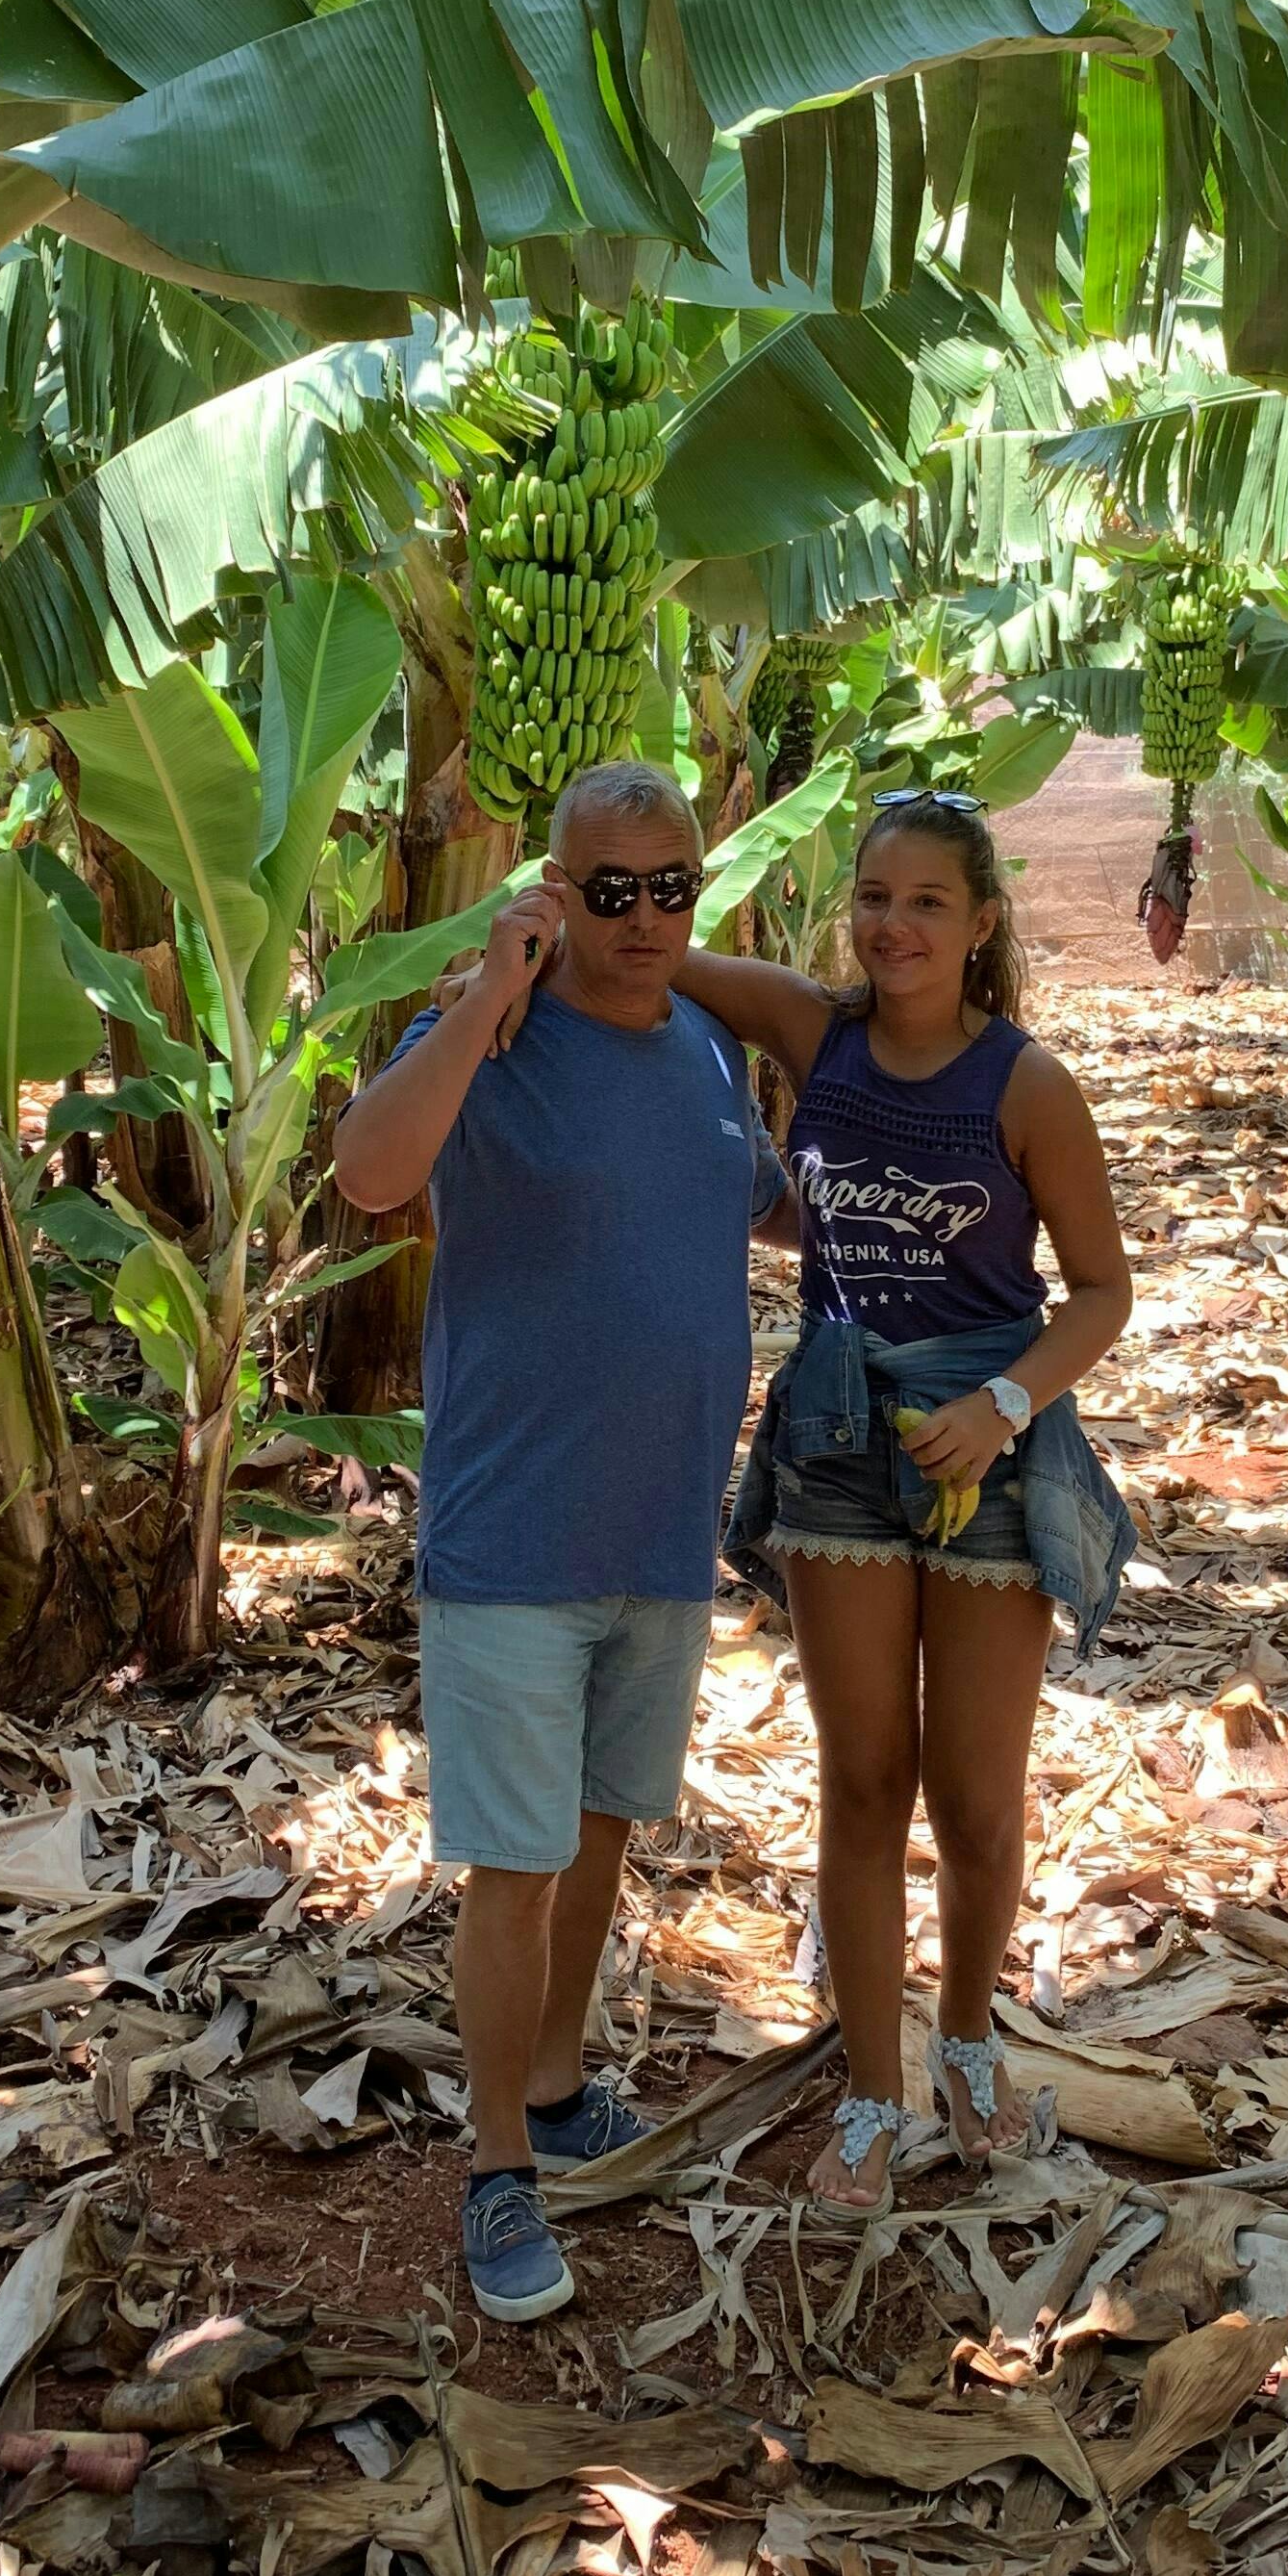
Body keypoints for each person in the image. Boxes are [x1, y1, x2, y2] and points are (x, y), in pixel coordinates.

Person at [331, 760, 787, 2323]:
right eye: (613, 891)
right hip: (515, 1528)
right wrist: (479, 998)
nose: (649, 918)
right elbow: (371, 1169)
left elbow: (754, 1199)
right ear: (556, 895)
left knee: (598, 1833)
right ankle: (498, 2172)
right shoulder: (498, 1044)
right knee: (514, 1865)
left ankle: (560, 2076)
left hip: (659, 1534)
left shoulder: (711, 1053)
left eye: (674, 887)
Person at [690, 790, 1137, 2212]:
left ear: (981, 924)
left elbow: (1105, 1291)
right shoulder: (813, 1035)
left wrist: (1003, 1405)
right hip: (836, 1431)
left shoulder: (1024, 1085)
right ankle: (873, 2097)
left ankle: (970, 2043)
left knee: (977, 1797)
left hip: (988, 1442)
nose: (893, 924)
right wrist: (503, 966)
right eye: (874, 896)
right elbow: (639, 950)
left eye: (927, 902)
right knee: (865, 1778)